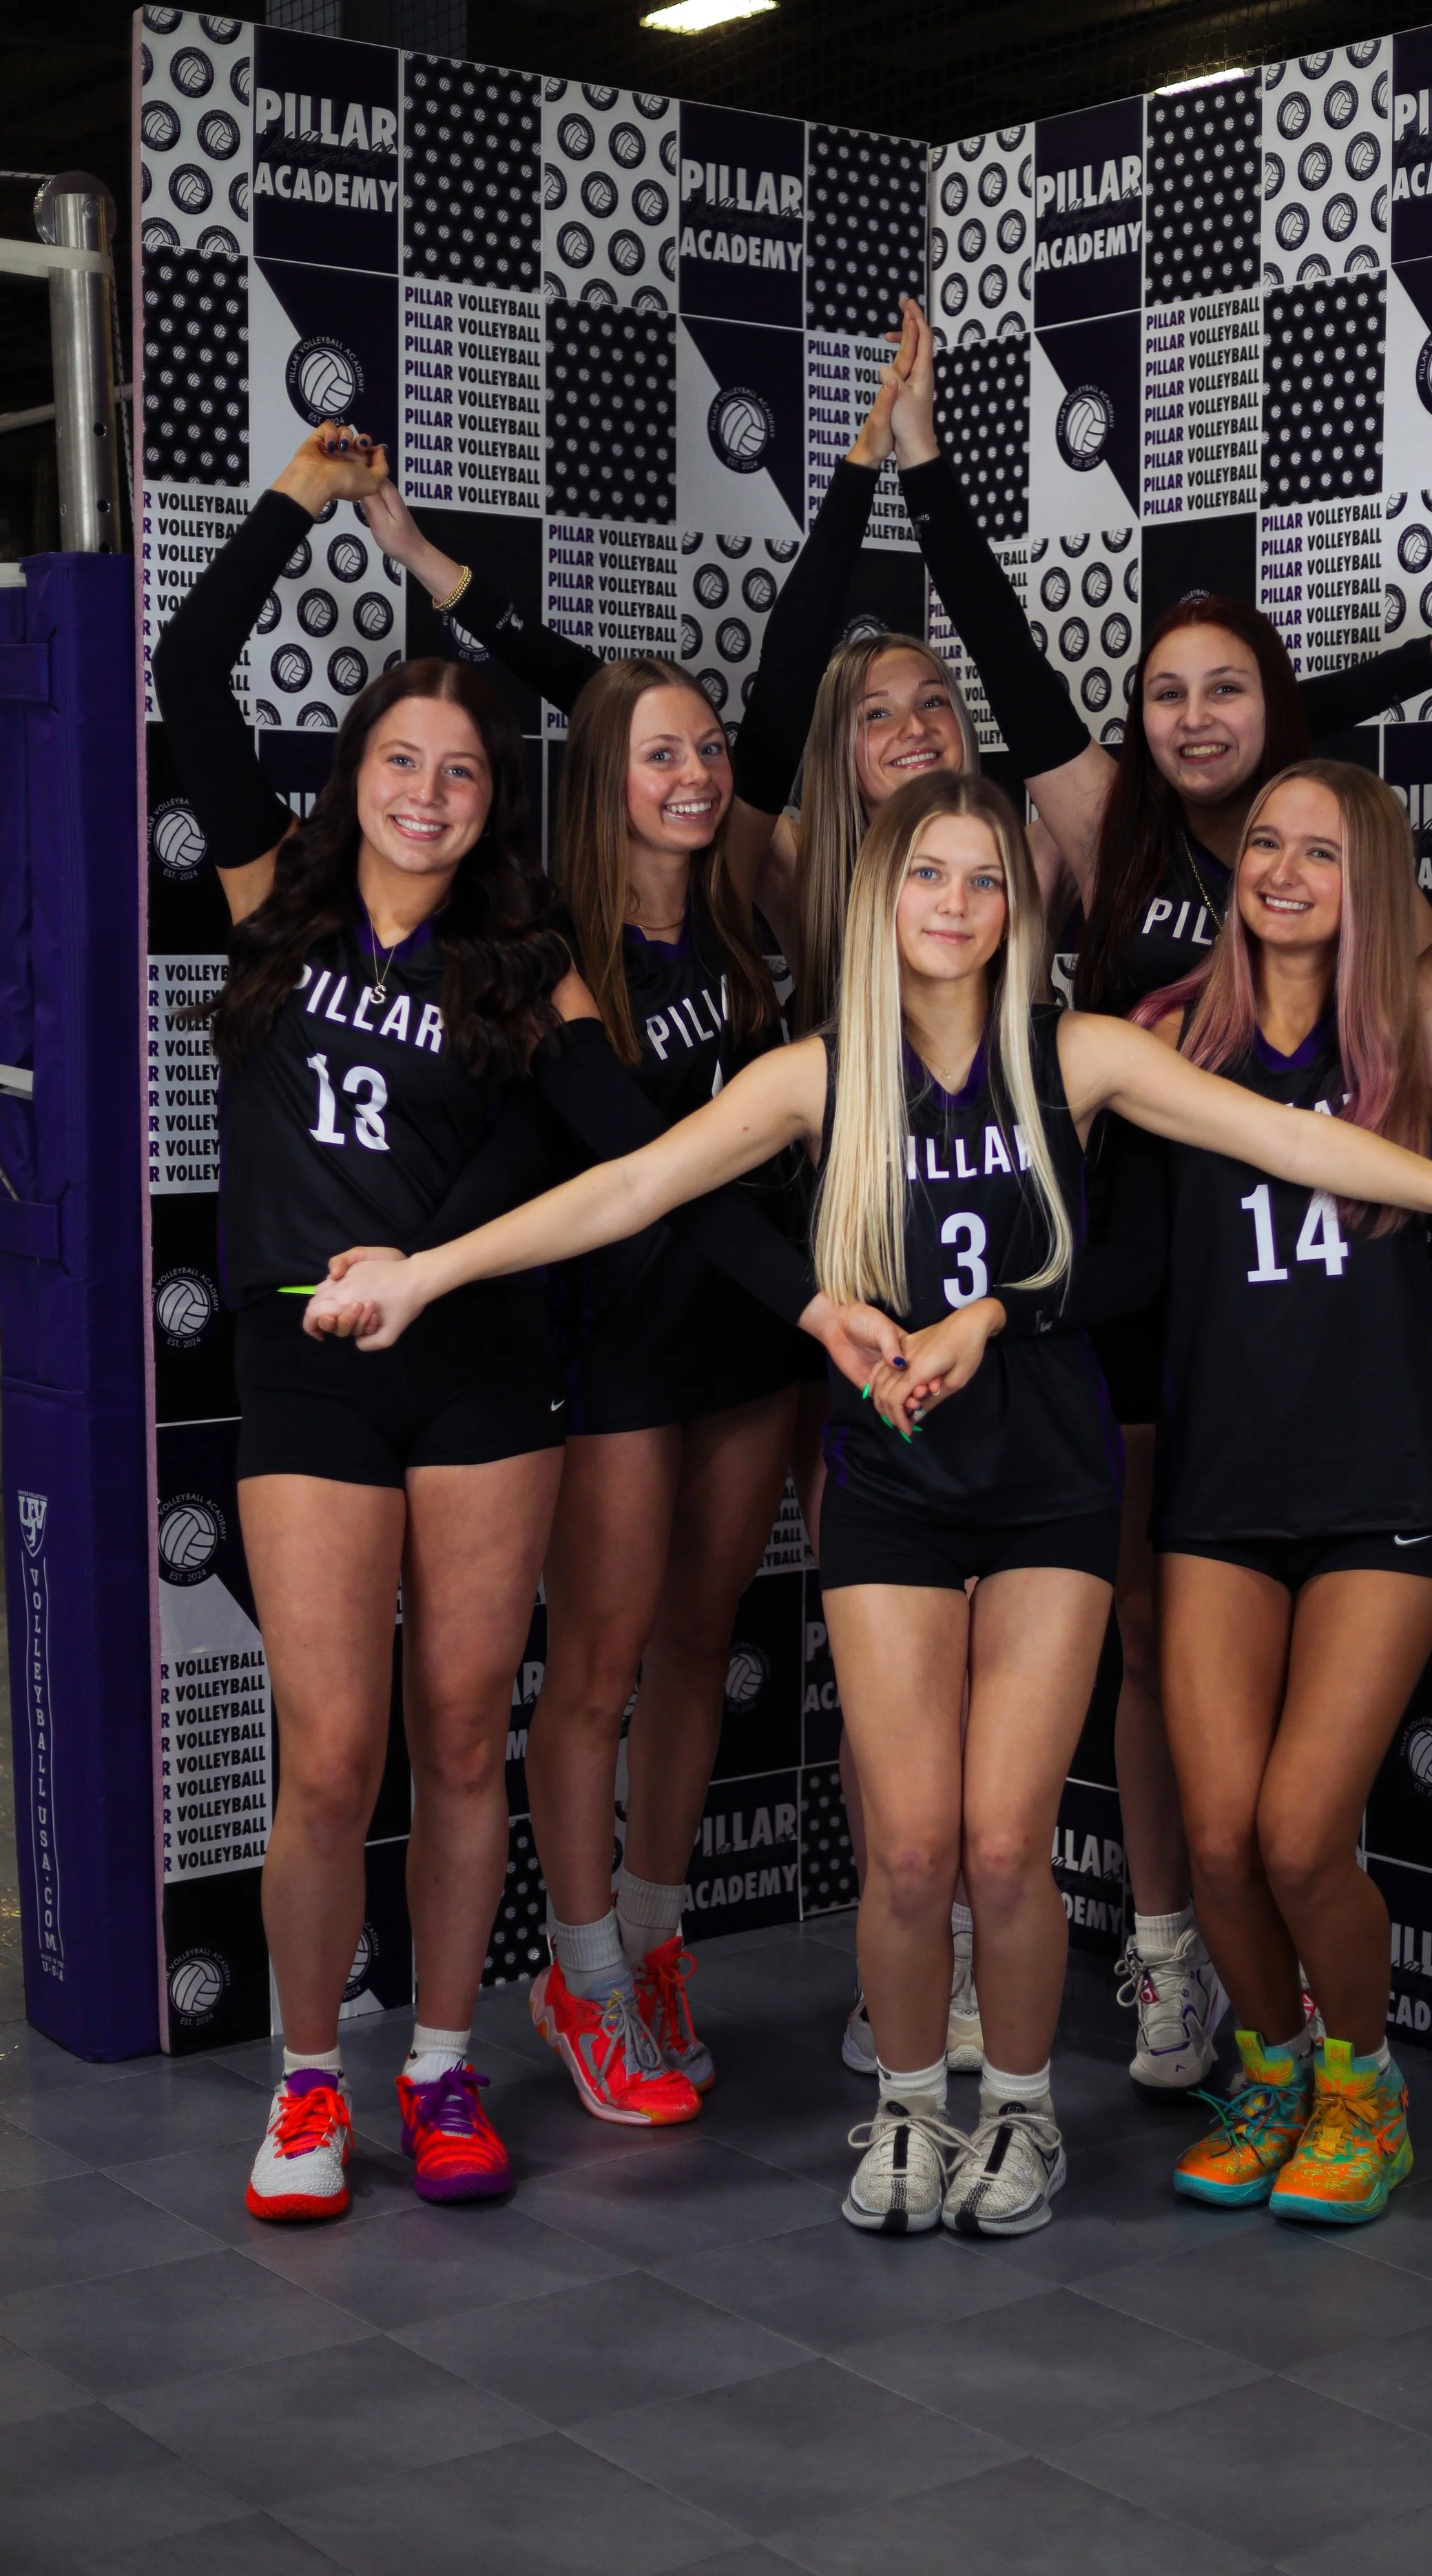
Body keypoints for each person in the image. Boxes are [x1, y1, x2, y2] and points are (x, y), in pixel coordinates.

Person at [302, 770, 1432, 2237]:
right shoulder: (819, 1074)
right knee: (913, 1850)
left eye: (983, 881)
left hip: (1050, 1489)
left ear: (1017, 907)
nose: (952, 906)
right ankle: (904, 2112)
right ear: (882, 896)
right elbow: (631, 1187)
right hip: (889, 1489)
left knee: (1004, 1845)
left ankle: (1018, 2118)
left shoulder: (1077, 1056)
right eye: (927, 876)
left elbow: (1295, 1140)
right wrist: (420, 1274)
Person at [880, 294, 1432, 2095]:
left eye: (1232, 697)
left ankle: (1307, 2050)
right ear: (1140, 724)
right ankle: (1177, 1974)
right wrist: (919, 470)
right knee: (1157, 1691)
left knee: (1283, 1806)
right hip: (1142, 1322)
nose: (1199, 721)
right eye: (1169, 692)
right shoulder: (1128, 919)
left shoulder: (1365, 944)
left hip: (1332, 1401)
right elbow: (1010, 664)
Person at [152, 424, 889, 2220]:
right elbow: (187, 666)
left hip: (487, 1382)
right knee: (336, 1753)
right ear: (358, 777)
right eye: (400, 761)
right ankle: (311, 2078)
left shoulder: (528, 958)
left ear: (498, 796)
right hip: (307, 1370)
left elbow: (650, 1167)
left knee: (468, 1727)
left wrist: (808, 1300)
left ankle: (444, 2064)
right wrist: (302, 510)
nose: (428, 790)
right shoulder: (275, 897)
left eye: (461, 768)